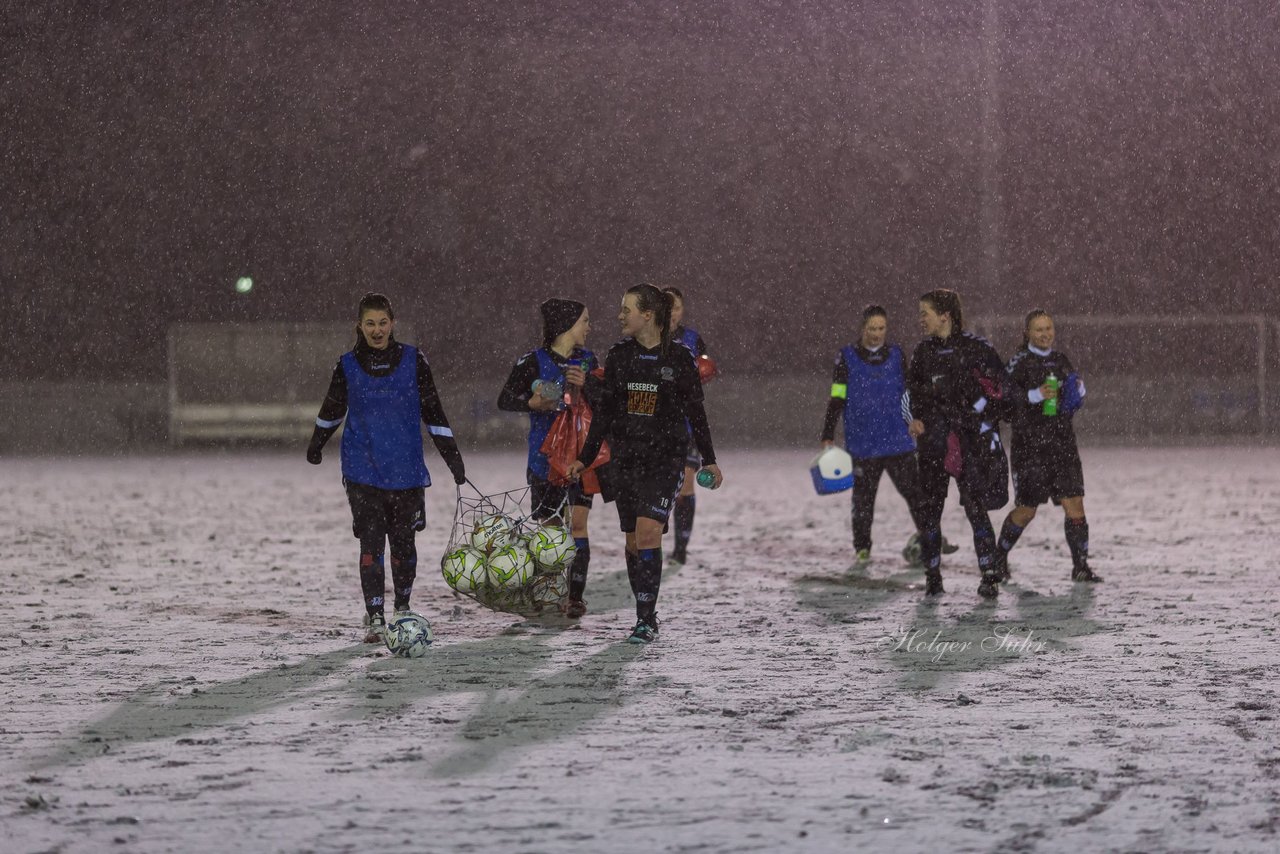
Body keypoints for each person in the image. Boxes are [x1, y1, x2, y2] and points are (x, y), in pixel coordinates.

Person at [566, 284, 722, 644]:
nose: (620, 316)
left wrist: (710, 460)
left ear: (648, 315)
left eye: (626, 310)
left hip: (665, 461)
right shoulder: (620, 355)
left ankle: (645, 619)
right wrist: (584, 459)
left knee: (649, 531)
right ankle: (645, 607)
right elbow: (604, 414)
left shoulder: (680, 359)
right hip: (626, 461)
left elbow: (697, 414)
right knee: (634, 541)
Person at [307, 292, 466, 642]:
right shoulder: (346, 365)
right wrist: (316, 444)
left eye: (382, 323)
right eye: (370, 324)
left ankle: (403, 608)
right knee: (371, 544)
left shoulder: (414, 360)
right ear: (359, 326)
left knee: (404, 544)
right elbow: (332, 409)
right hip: (363, 469)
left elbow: (433, 412)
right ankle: (376, 616)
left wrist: (452, 457)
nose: (377, 330)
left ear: (392, 324)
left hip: (406, 470)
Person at [497, 298, 609, 618]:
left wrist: (586, 386)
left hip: (581, 459)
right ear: (566, 326)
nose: (589, 327)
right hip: (544, 460)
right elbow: (505, 399)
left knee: (578, 525)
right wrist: (532, 404)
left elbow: (604, 403)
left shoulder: (589, 359)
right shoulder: (531, 361)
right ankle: (548, 590)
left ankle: (574, 597)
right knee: (551, 532)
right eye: (584, 321)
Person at [820, 304, 953, 569]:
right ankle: (862, 550)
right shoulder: (846, 357)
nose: (877, 334)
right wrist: (827, 433)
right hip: (863, 445)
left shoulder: (896, 355)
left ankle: (930, 540)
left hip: (897, 441)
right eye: (872, 328)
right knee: (863, 502)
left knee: (916, 495)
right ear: (862, 329)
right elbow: (837, 396)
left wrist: (915, 417)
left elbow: (908, 391)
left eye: (881, 328)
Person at [905, 289, 1011, 598]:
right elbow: (913, 396)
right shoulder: (922, 353)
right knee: (930, 512)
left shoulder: (978, 349)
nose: (920, 318)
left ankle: (989, 573)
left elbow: (1002, 394)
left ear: (944, 316)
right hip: (933, 446)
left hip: (970, 445)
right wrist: (915, 418)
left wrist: (981, 416)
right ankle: (932, 576)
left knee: (976, 508)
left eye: (925, 312)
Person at [992, 310, 1100, 583]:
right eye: (1039, 329)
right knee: (1027, 510)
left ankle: (1081, 567)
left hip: (1062, 444)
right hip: (1030, 447)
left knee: (1074, 503)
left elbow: (1070, 396)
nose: (1045, 334)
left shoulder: (1060, 360)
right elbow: (1002, 400)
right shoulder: (1019, 362)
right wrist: (1033, 395)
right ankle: (998, 558)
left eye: (1049, 328)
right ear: (1027, 332)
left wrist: (1077, 392)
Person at [663, 286, 711, 566]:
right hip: (654, 425)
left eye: (677, 307)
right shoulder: (645, 339)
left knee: (685, 486)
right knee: (658, 487)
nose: (672, 313)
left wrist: (703, 373)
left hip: (685, 425)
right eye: (667, 307)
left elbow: (702, 375)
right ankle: (650, 540)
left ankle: (681, 547)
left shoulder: (693, 339)